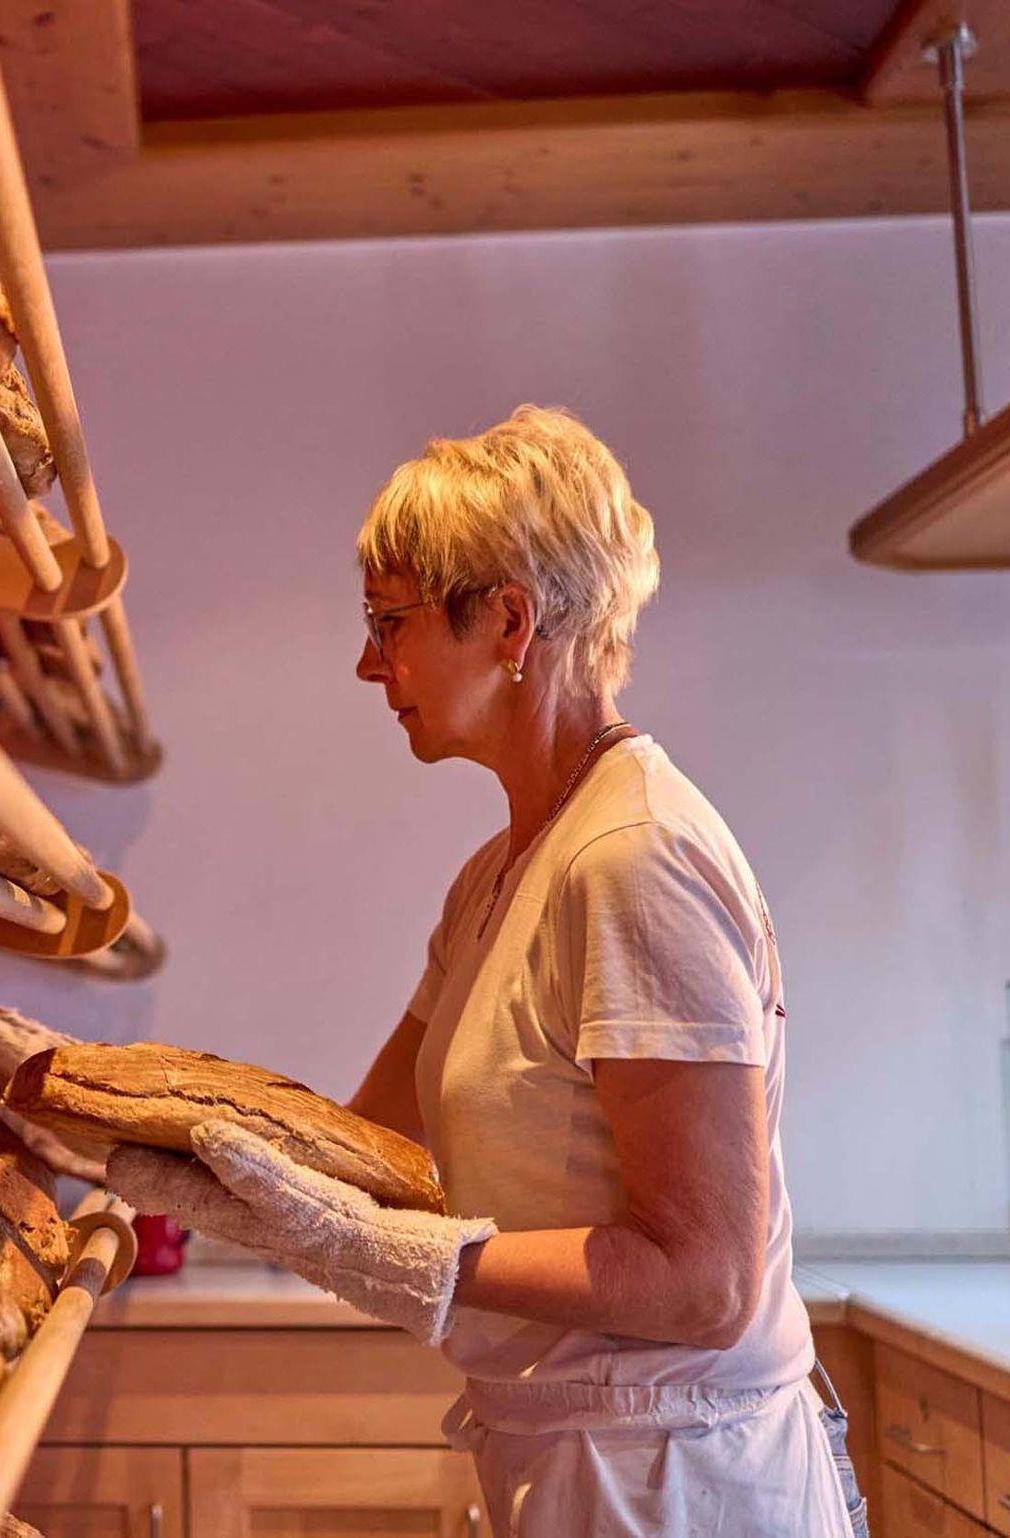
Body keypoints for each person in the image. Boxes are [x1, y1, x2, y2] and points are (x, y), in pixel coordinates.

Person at [112, 407, 862, 1536]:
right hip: (584, 1459)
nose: (368, 662)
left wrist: (404, 1256)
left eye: (390, 621)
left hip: (676, 1478)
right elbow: (364, 1147)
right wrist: (126, 1117)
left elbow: (704, 1279)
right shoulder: (498, 876)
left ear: (509, 620)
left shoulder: (633, 857)